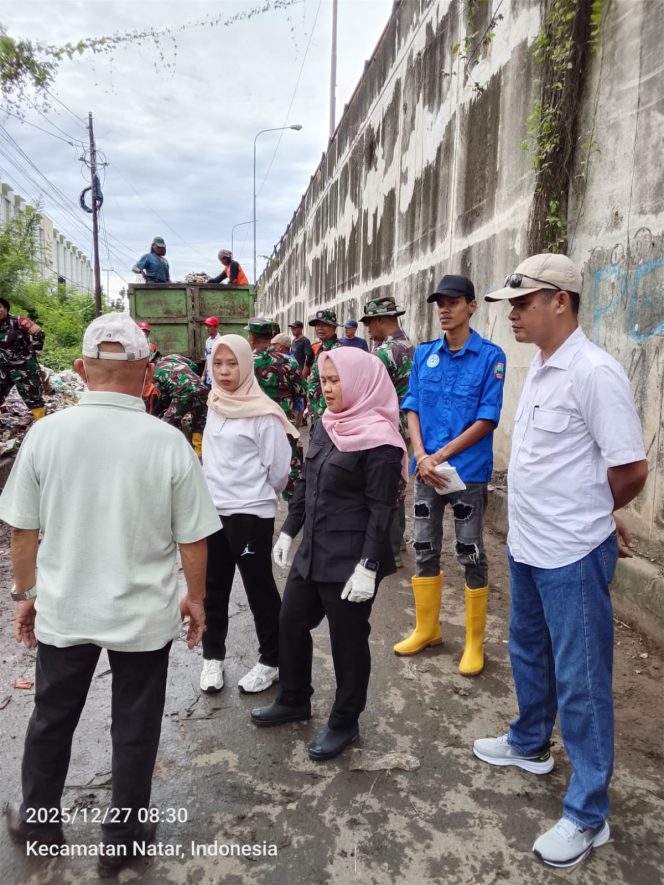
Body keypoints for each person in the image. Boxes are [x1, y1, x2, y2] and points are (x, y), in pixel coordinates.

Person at [0, 312, 219, 877]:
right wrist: (195, 599)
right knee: (136, 720)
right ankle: (123, 838)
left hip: (66, 607)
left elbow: (23, 530)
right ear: (148, 373)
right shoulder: (168, 441)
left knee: (52, 715)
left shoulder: (45, 435)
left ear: (81, 369)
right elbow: (192, 537)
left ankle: (38, 820)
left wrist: (26, 593)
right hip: (142, 615)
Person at [473, 253, 647, 869]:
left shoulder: (594, 373)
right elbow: (568, 463)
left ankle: (587, 813)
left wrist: (599, 516)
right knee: (528, 651)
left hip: (572, 553)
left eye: (522, 303)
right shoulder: (544, 368)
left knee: (584, 684)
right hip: (530, 543)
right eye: (511, 304)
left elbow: (629, 469)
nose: (513, 314)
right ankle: (529, 742)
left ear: (560, 301)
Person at [251, 347, 405, 761]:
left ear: (360, 382)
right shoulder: (327, 424)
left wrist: (369, 566)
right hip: (313, 550)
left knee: (347, 642)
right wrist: (288, 531)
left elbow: (381, 509)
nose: (329, 388)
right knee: (290, 623)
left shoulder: (380, 439)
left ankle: (344, 721)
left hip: (350, 560)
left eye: (337, 381)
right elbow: (307, 484)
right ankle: (295, 697)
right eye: (325, 381)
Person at [394, 274, 506, 678]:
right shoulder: (425, 355)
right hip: (426, 470)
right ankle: (428, 628)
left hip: (466, 474)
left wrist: (439, 455)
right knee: (423, 546)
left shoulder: (491, 357)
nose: (444, 308)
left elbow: (486, 419)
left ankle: (475, 641)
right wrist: (421, 454)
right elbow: (412, 406)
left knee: (470, 551)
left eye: (453, 301)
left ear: (471, 306)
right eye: (440, 302)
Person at [199, 334, 296, 695]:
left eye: (232, 363)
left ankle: (273, 660)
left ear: (246, 364)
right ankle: (212, 658)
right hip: (213, 511)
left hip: (250, 514)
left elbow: (279, 470)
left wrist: (256, 498)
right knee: (213, 588)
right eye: (218, 364)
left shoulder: (264, 413)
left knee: (259, 589)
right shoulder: (215, 402)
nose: (224, 372)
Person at [361, 295, 414, 566]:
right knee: (400, 484)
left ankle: (390, 552)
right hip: (409, 425)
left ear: (384, 319)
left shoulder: (383, 353)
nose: (368, 328)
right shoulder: (411, 347)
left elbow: (367, 392)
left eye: (370, 322)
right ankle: (398, 543)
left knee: (384, 485)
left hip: (386, 426)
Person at [246, 318, 305, 498]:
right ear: (272, 336)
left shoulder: (244, 363)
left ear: (251, 338)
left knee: (253, 466)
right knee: (291, 466)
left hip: (252, 424)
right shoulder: (290, 362)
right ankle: (295, 512)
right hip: (284, 421)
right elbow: (300, 392)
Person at [144, 353, 209, 458]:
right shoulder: (174, 357)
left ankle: (168, 454)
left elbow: (164, 398)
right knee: (199, 422)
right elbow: (194, 366)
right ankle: (200, 455)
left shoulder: (154, 372)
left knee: (168, 424)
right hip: (201, 389)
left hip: (183, 394)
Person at [0, 297, 46, 421]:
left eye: (0, 307)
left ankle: (40, 423)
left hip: (24, 367)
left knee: (33, 397)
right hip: (2, 369)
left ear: (5, 308)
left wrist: (34, 350)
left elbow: (39, 333)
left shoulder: (19, 321)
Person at [306, 309, 342, 427]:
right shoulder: (320, 348)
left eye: (325, 325)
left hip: (327, 412)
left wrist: (323, 410)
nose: (320, 328)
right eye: (317, 325)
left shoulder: (338, 350)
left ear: (334, 328)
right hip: (317, 410)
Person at [201, 316, 221, 387]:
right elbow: (207, 359)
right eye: (206, 326)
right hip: (209, 379)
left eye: (209, 326)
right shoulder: (208, 341)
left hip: (217, 379)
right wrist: (203, 375)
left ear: (216, 327)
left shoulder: (220, 341)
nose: (207, 328)